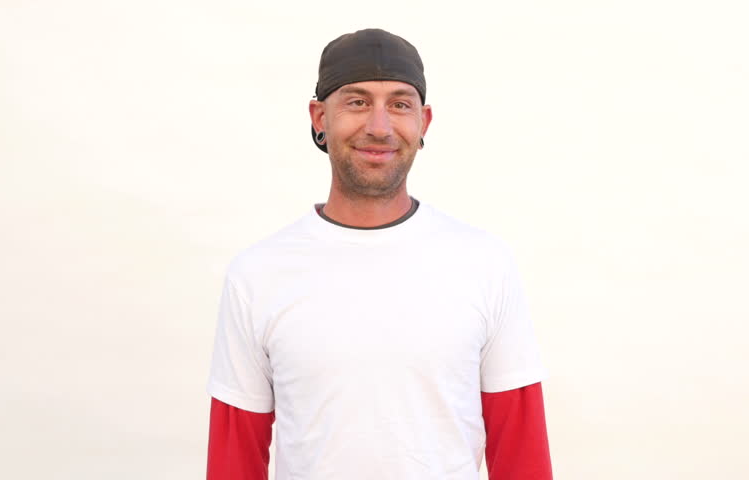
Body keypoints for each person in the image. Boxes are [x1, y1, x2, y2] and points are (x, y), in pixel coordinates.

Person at [206, 28, 553, 480]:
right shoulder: (257, 275)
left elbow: (521, 451)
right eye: (356, 101)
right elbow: (234, 457)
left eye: (400, 104)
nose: (379, 126)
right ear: (319, 117)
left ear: (424, 122)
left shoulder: (485, 264)